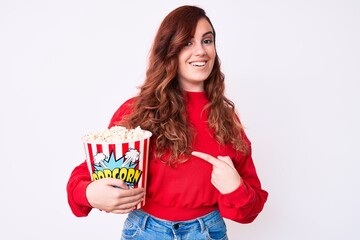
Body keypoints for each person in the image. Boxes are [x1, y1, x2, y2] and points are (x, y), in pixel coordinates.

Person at [67, 5, 268, 240]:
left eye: (207, 41)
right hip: (144, 231)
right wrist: (89, 193)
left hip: (207, 232)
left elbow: (251, 209)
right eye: (187, 43)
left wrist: (236, 189)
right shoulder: (137, 110)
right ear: (169, 50)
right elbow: (86, 175)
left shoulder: (227, 119)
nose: (201, 51)